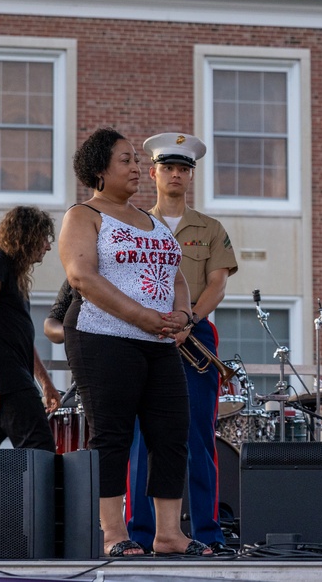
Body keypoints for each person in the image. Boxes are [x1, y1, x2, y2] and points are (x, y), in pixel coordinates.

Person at [58, 127, 211, 557]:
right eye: (125, 159)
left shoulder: (152, 221)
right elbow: (81, 276)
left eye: (135, 160)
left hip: (160, 343)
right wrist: (142, 316)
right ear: (99, 169)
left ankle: (168, 534)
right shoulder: (84, 215)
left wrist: (184, 315)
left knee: (170, 433)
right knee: (113, 435)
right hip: (102, 337)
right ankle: (112, 533)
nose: (136, 168)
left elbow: (176, 275)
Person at [127, 132, 238, 556]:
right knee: (141, 438)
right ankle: (139, 535)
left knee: (197, 437)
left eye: (184, 169)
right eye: (168, 167)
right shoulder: (132, 223)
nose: (176, 174)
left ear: (190, 175)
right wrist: (156, 322)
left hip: (195, 338)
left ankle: (207, 534)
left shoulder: (210, 228)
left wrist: (188, 319)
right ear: (153, 172)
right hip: (142, 333)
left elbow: (218, 284)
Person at [0, 206, 60, 451]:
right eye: (44, 239)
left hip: (1, 383)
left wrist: (46, 382)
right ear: (27, 236)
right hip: (7, 384)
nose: (48, 247)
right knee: (41, 452)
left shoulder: (11, 274)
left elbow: (22, 339)